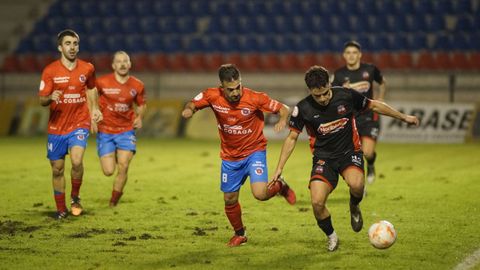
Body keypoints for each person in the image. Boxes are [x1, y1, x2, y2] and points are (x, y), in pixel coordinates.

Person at [272, 66, 419, 251]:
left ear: (330, 84)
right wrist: (279, 168)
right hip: (323, 158)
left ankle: (354, 205)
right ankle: (332, 236)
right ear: (310, 91)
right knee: (317, 203)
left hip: (349, 152)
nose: (323, 98)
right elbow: (291, 138)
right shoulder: (303, 108)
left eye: (326, 93)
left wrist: (403, 117)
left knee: (357, 185)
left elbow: (374, 105)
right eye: (318, 96)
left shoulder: (347, 95)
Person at [181, 64, 296, 247]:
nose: (235, 93)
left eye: (238, 87)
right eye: (230, 90)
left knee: (260, 194)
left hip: (254, 152)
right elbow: (193, 103)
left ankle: (280, 186)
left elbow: (284, 108)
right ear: (222, 87)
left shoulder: (254, 97)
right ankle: (240, 234)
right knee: (229, 199)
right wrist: (190, 110)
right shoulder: (212, 95)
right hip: (230, 157)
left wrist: (282, 120)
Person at [38, 29, 102, 219]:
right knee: (57, 169)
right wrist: (50, 97)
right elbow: (41, 100)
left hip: (79, 123)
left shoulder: (87, 68)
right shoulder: (50, 71)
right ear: (60, 47)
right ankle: (61, 209)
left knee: (76, 161)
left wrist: (95, 110)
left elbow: (91, 89)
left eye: (75, 44)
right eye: (68, 43)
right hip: (57, 127)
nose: (72, 47)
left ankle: (75, 196)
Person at [95, 51, 146, 207]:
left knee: (123, 165)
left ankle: (113, 202)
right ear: (113, 65)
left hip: (126, 130)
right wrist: (94, 110)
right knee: (108, 171)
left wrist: (139, 117)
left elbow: (142, 104)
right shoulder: (102, 82)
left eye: (125, 61)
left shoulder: (137, 85)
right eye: (119, 61)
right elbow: (90, 97)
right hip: (106, 130)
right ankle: (115, 153)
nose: (122, 64)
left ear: (129, 64)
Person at [332, 41, 386, 185]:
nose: (351, 56)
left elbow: (382, 82)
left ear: (360, 55)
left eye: (354, 53)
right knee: (354, 152)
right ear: (344, 55)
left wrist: (380, 99)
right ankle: (359, 183)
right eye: (348, 53)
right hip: (350, 118)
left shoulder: (370, 69)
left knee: (367, 152)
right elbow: (332, 94)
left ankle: (371, 164)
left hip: (369, 115)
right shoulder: (339, 74)